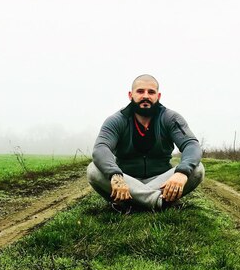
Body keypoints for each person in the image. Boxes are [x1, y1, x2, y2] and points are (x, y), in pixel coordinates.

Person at [87, 74, 205, 212]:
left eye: (151, 92)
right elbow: (101, 148)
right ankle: (159, 202)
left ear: (158, 96)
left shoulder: (171, 118)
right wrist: (115, 175)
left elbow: (191, 145)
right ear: (130, 95)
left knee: (197, 169)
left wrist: (182, 172)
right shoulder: (116, 120)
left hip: (161, 181)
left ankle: (131, 204)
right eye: (140, 91)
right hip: (126, 181)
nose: (145, 96)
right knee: (93, 170)